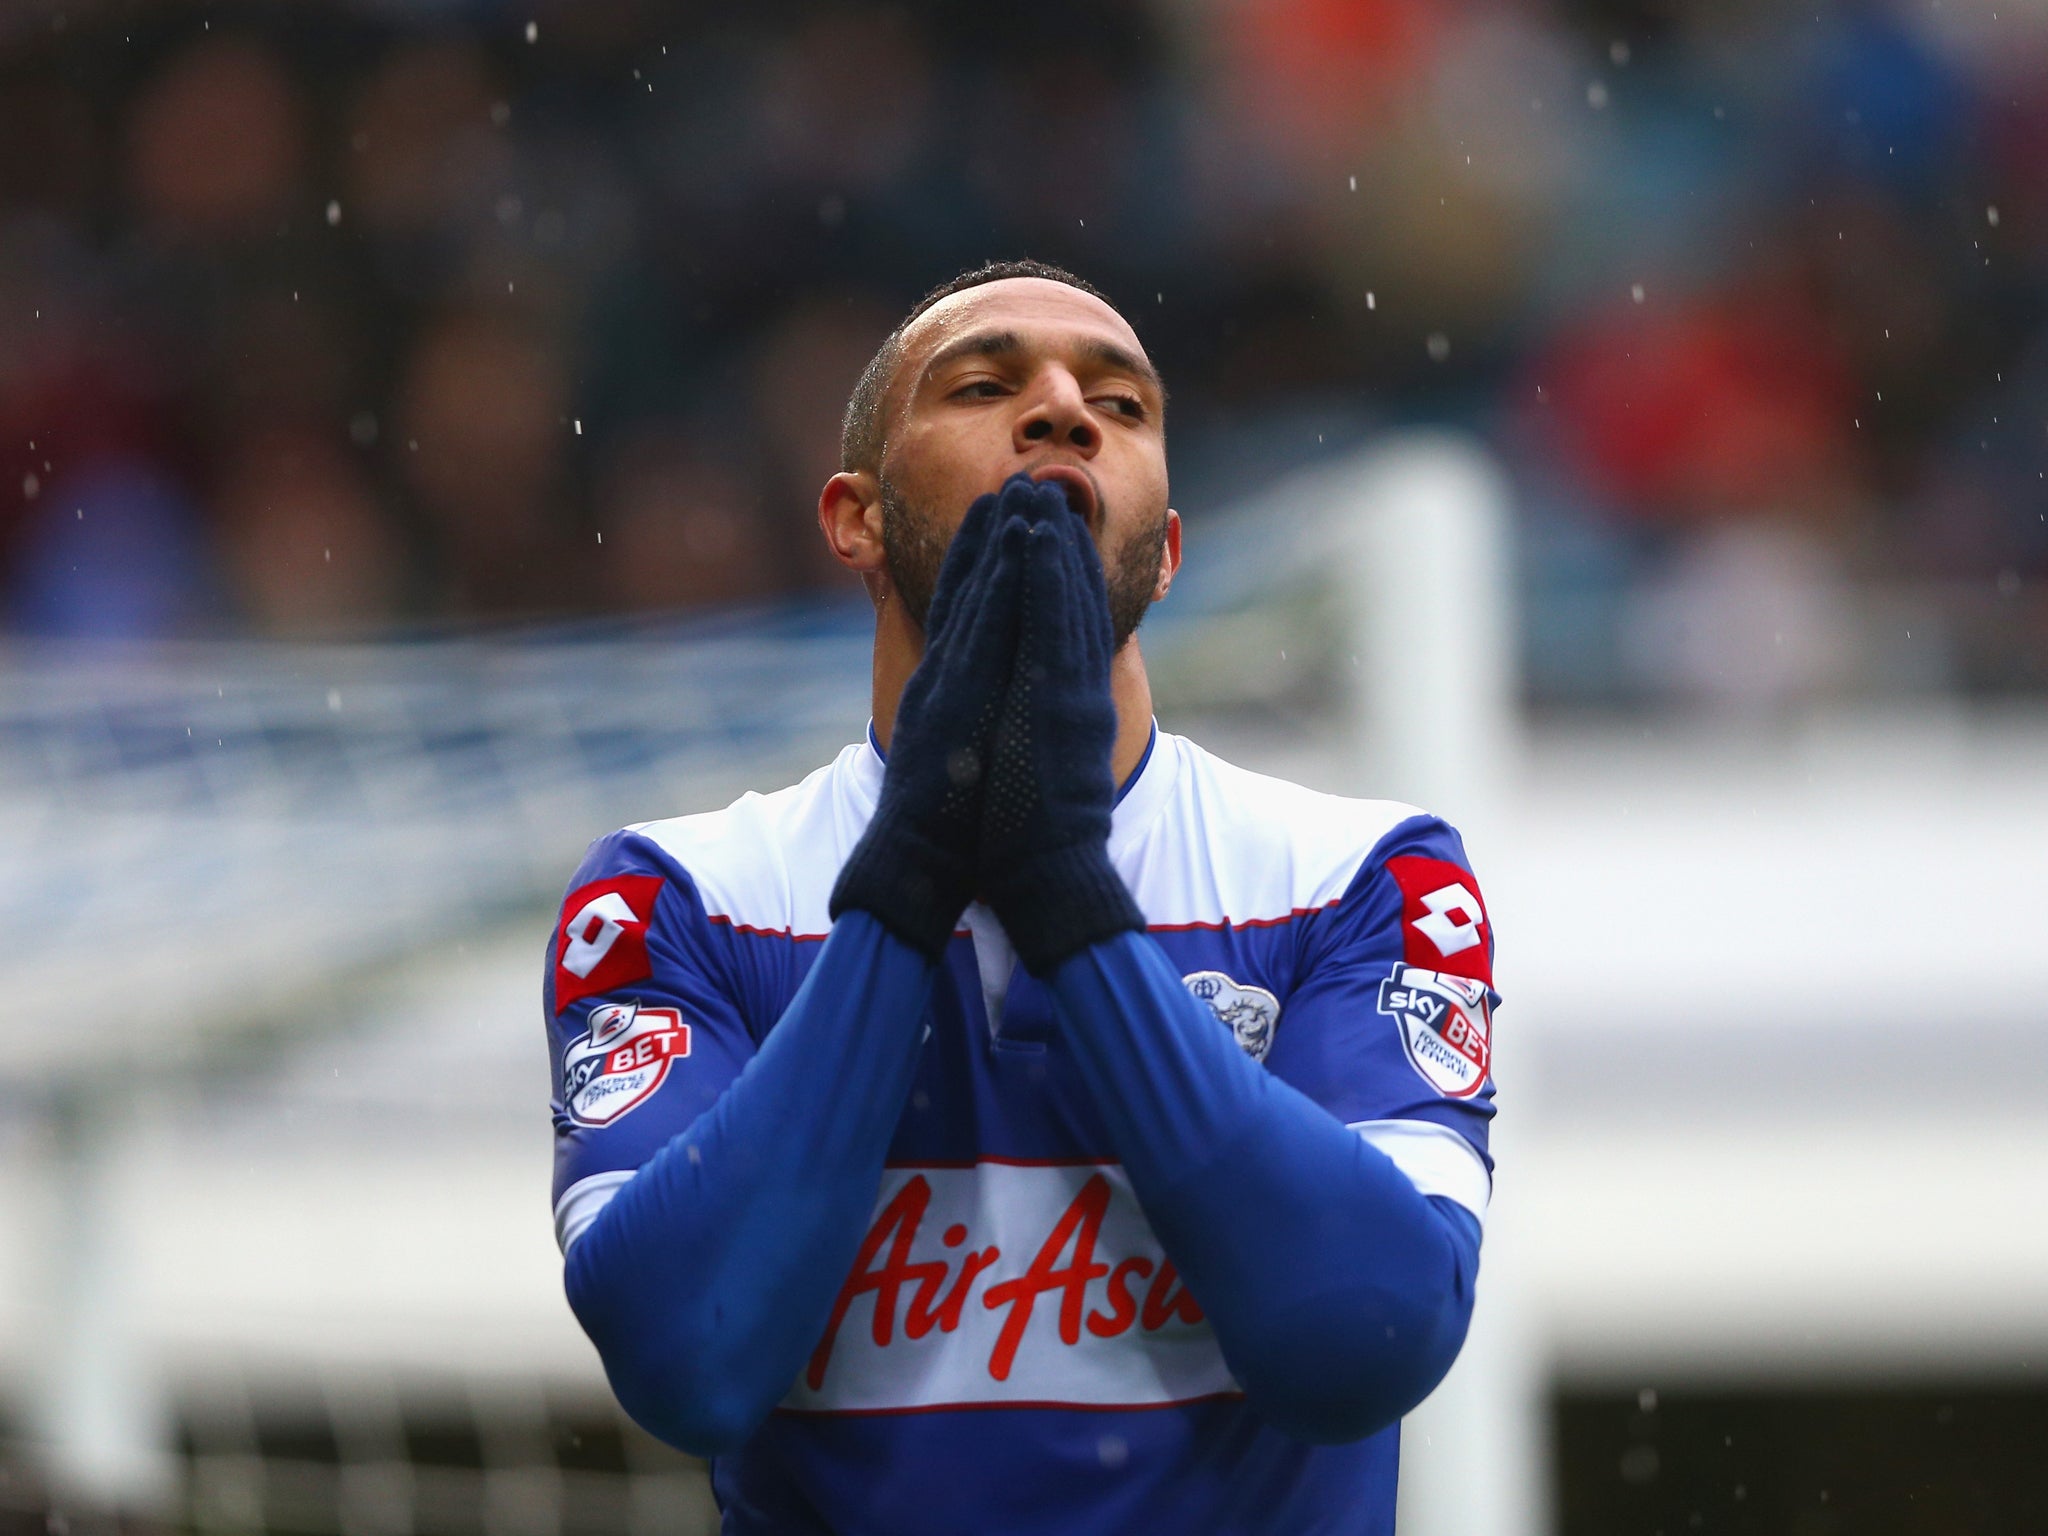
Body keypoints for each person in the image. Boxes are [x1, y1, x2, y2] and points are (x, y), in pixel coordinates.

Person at [546, 260, 1497, 1535]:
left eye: (1120, 400)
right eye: (986, 383)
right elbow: (687, 1359)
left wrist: (1065, 900)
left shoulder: (1359, 878)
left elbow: (1360, 1342)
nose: (1062, 409)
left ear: (1163, 554)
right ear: (855, 520)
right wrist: (911, 875)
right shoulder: (680, 898)